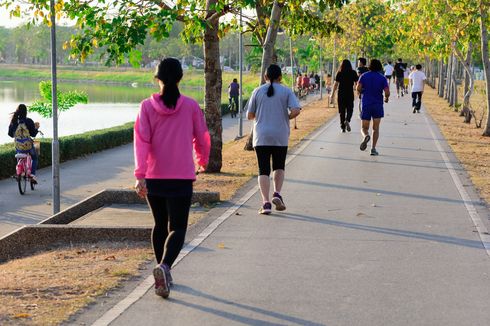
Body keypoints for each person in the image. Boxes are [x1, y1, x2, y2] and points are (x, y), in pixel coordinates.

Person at [134, 58, 211, 299]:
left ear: (157, 79)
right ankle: (165, 268)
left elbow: (141, 142)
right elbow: (202, 136)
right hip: (181, 177)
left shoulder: (146, 107)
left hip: (155, 177)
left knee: (160, 225)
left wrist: (140, 174)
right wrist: (202, 160)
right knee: (177, 227)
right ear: (180, 78)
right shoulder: (190, 106)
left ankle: (161, 270)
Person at [247, 64, 301, 215]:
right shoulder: (286, 91)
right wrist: (287, 117)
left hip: (261, 135)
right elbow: (296, 110)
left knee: (263, 169)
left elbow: (249, 115)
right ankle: (277, 193)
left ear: (265, 77)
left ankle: (266, 203)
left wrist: (261, 115)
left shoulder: (257, 91)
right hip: (280, 134)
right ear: (280, 77)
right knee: (279, 166)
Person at [356, 59, 390, 156]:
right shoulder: (382, 78)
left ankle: (366, 136)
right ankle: (373, 149)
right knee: (375, 128)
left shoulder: (363, 76)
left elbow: (358, 88)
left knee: (364, 127)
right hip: (378, 105)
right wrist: (386, 98)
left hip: (366, 104)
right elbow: (387, 92)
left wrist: (361, 92)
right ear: (380, 67)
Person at [8, 104, 40, 183]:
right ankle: (32, 175)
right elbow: (33, 134)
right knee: (35, 158)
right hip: (28, 146)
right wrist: (36, 128)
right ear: (26, 112)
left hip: (18, 146)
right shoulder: (29, 121)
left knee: (19, 152)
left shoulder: (14, 121)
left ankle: (19, 171)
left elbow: (10, 134)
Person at [330, 59, 359, 133]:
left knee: (342, 111)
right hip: (349, 93)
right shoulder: (353, 73)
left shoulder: (339, 73)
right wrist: (358, 90)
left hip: (341, 94)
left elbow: (336, 84)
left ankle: (342, 127)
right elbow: (357, 83)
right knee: (350, 109)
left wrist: (332, 94)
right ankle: (347, 120)